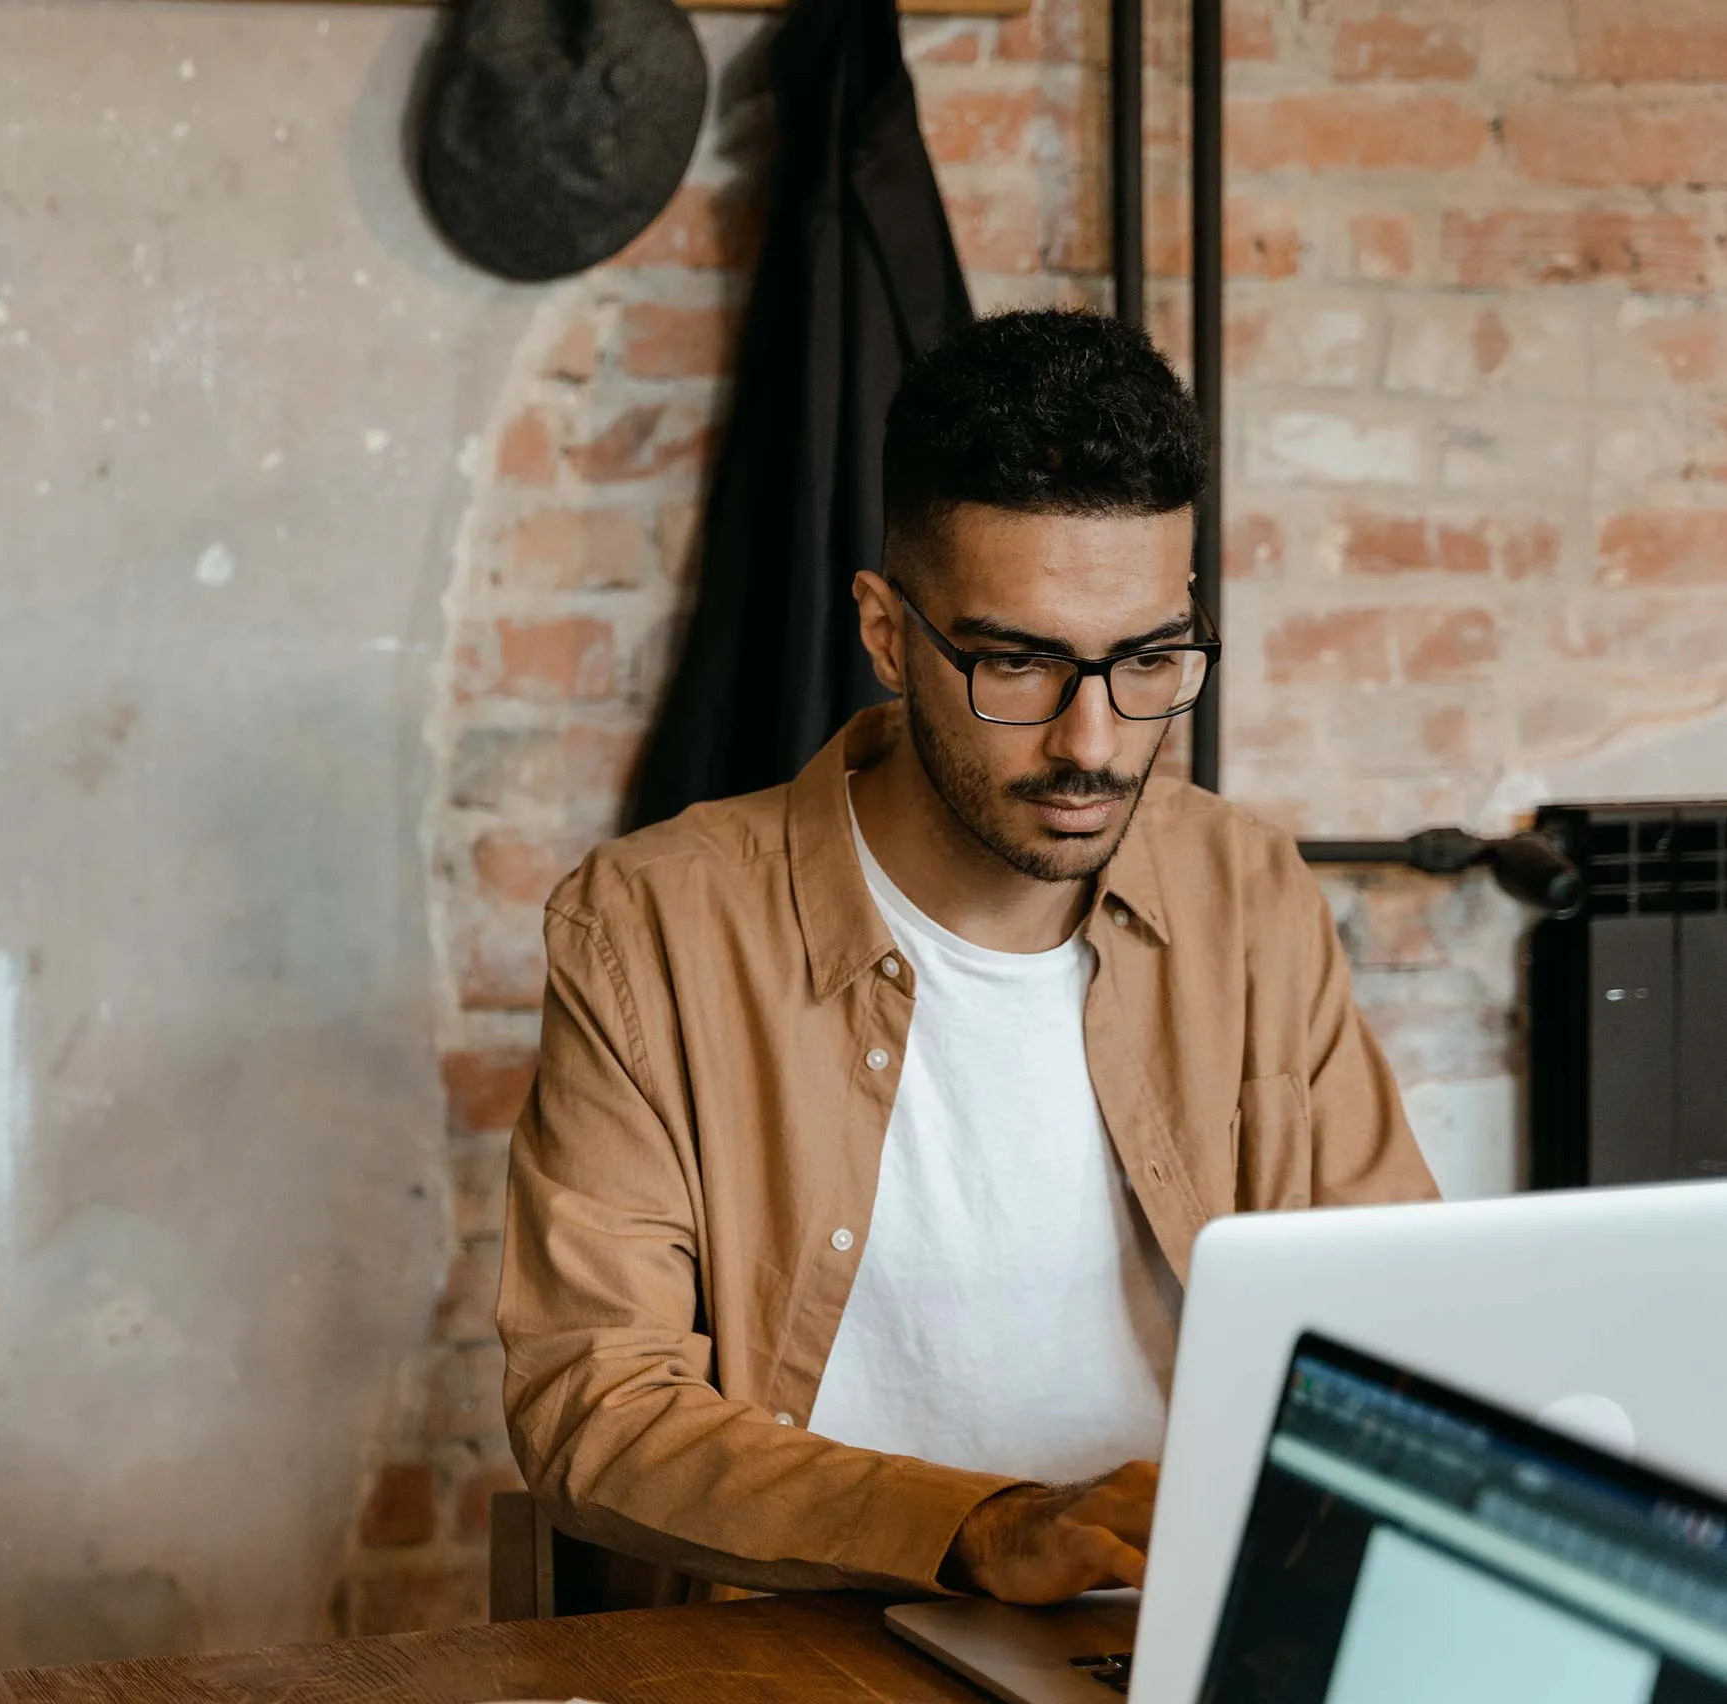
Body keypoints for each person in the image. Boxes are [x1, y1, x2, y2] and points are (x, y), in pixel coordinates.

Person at [497, 308, 1438, 1606]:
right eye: (1019, 663)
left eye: (1151, 659)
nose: (1093, 742)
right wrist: (980, 1526)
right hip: (812, 1645)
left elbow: (1404, 1318)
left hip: (1185, 1638)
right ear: (887, 634)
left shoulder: (1248, 893)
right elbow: (591, 1405)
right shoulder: (650, 932)